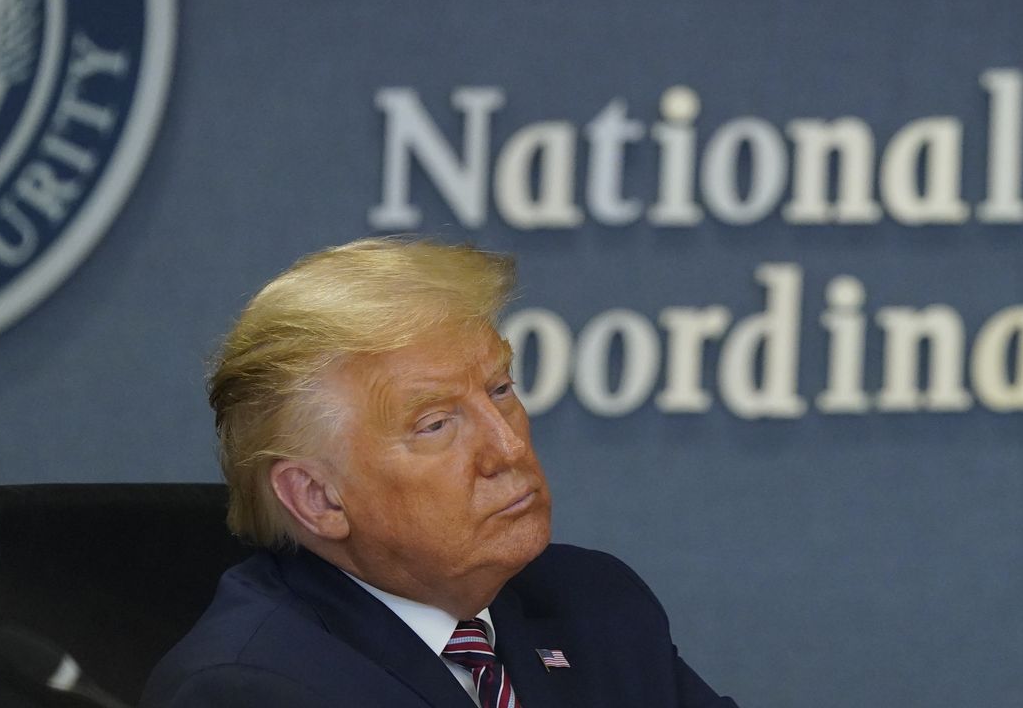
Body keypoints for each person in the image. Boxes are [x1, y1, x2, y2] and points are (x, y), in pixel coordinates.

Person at [143, 237, 738, 708]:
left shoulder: (594, 603)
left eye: (500, 390)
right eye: (435, 425)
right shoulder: (253, 687)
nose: (508, 446)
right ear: (318, 498)